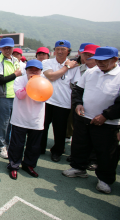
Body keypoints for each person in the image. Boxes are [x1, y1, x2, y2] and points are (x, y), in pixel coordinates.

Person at [63, 47, 120, 194]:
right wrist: (78, 104)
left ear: (115, 60)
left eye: (104, 61)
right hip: (84, 117)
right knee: (80, 144)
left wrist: (106, 115)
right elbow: (78, 90)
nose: (99, 64)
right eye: (98, 60)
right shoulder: (90, 71)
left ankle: (105, 179)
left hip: (108, 123)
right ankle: (78, 168)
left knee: (107, 152)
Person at [40, 40, 80, 162]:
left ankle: (57, 151)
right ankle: (40, 148)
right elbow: (51, 76)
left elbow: (76, 85)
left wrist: (69, 66)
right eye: (58, 49)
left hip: (63, 103)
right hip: (46, 101)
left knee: (60, 129)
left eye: (63, 49)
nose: (60, 52)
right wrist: (66, 67)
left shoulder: (75, 67)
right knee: (42, 126)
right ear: (54, 51)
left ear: (68, 51)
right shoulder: (47, 62)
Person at [7, 60, 46, 180]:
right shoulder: (20, 80)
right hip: (20, 118)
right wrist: (29, 83)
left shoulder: (44, 81)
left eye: (36, 70)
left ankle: (29, 164)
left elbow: (43, 98)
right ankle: (14, 165)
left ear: (40, 71)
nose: (33, 72)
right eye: (31, 69)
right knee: (17, 144)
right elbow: (20, 95)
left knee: (34, 146)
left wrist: (36, 83)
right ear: (26, 70)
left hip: (36, 119)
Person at [0, 37, 22, 159]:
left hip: (15, 96)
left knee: (11, 122)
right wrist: (15, 74)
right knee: (3, 122)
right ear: (1, 48)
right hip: (3, 96)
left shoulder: (15, 60)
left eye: (9, 47)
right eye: (5, 48)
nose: (7, 50)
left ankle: (7, 143)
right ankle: (0, 145)